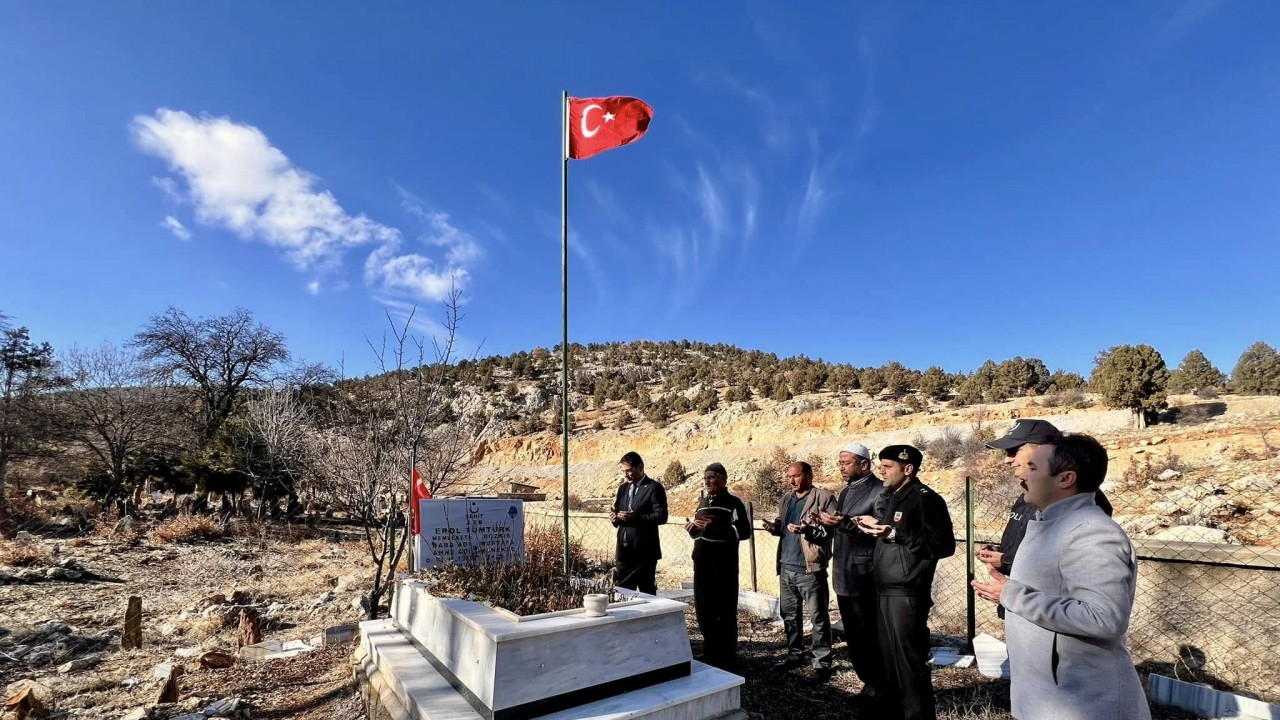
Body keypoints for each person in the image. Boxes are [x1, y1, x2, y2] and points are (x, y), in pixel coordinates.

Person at [972, 433, 1150, 720]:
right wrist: (1009, 587)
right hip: (1046, 697)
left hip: (1084, 703)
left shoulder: (1092, 532)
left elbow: (1104, 618)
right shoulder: (1049, 522)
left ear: (1065, 478)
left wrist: (1011, 594)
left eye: (1033, 468)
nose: (1022, 475)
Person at [854, 444, 955, 720]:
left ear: (907, 469)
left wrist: (896, 534)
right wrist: (876, 526)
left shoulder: (925, 499)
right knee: (890, 664)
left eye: (887, 467)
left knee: (909, 665)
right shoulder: (896, 497)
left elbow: (943, 545)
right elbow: (893, 533)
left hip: (907, 595)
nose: (881, 472)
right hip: (886, 592)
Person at [980, 419, 1114, 618]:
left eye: (1014, 451)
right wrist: (1004, 558)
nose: (1007, 460)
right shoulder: (1033, 496)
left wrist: (1012, 588)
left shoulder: (1093, 528)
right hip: (1025, 620)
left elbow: (1100, 616)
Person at [816, 442, 887, 699]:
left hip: (865, 576)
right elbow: (842, 527)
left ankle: (881, 686)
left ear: (864, 465)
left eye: (846, 463)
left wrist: (844, 523)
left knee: (871, 636)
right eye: (840, 463)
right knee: (855, 638)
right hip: (844, 575)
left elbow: (880, 534)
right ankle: (868, 683)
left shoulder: (880, 492)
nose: (841, 468)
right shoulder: (846, 493)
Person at [763, 461, 838, 681]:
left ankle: (822, 663)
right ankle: (795, 655)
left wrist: (809, 530)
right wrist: (774, 528)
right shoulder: (786, 500)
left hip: (809, 569)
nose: (792, 480)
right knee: (789, 615)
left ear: (808, 475)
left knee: (818, 617)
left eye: (796, 476)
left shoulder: (824, 498)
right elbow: (782, 525)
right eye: (789, 477)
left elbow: (830, 532)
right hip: (786, 567)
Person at [684, 462, 752, 669]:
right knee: (704, 610)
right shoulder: (703, 503)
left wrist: (716, 526)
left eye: (712, 477)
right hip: (702, 564)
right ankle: (710, 654)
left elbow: (744, 532)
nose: (708, 481)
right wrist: (692, 529)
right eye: (706, 478)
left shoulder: (733, 503)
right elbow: (700, 533)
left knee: (723, 612)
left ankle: (727, 659)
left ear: (724, 479)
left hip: (723, 567)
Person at [610, 451, 668, 596]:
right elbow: (619, 513)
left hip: (644, 554)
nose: (626, 475)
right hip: (624, 554)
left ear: (640, 467)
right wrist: (615, 518)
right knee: (622, 593)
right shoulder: (623, 488)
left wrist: (636, 518)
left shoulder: (654, 488)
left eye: (629, 470)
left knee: (646, 594)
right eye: (624, 471)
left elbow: (661, 516)